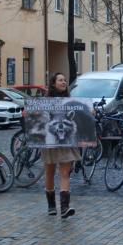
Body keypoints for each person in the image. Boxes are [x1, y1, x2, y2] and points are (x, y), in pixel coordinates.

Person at [41, 72, 81, 218]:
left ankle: (64, 207)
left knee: (65, 173)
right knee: (50, 172)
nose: (64, 82)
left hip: (67, 142)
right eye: (60, 80)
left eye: (65, 80)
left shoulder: (71, 101)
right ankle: (51, 206)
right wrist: (28, 114)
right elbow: (37, 116)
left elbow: (80, 115)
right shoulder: (44, 101)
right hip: (50, 142)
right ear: (53, 83)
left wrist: (90, 112)